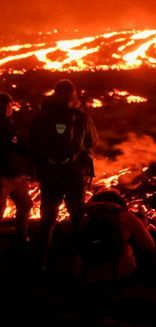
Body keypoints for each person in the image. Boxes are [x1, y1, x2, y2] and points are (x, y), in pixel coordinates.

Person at [30, 79, 98, 263]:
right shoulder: (82, 117)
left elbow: (32, 144)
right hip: (75, 174)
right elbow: (92, 142)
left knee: (47, 219)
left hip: (50, 174)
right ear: (73, 94)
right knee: (77, 217)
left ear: (54, 93)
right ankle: (79, 262)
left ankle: (40, 263)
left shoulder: (41, 116)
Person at [74, 188, 156, 283]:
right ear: (118, 200)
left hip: (85, 276)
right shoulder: (124, 215)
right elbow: (149, 245)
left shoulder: (84, 218)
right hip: (118, 274)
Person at [0, 92, 32, 243]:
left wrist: (16, 142)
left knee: (25, 205)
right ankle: (21, 238)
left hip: (16, 174)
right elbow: (21, 146)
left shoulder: (10, 124)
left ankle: (22, 237)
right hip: (5, 175)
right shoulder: (8, 125)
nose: (10, 108)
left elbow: (22, 146)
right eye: (9, 105)